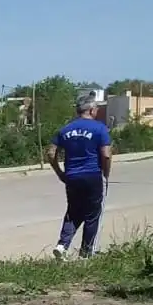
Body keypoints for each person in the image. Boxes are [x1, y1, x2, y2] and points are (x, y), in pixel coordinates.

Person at [46, 93, 112, 260]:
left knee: (73, 212)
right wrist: (106, 173)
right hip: (92, 175)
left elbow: (50, 152)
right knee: (92, 214)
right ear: (91, 110)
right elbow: (106, 155)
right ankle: (86, 253)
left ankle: (62, 245)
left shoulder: (65, 129)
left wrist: (59, 173)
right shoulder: (99, 128)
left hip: (72, 176)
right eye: (96, 108)